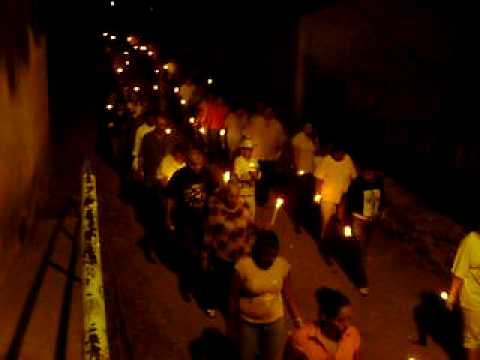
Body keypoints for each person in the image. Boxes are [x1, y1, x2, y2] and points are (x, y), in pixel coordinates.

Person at [229, 230, 303, 360]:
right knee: (246, 356)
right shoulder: (243, 266)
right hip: (248, 323)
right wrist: (232, 325)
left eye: (273, 256)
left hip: (275, 322)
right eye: (266, 255)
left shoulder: (282, 266)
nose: (270, 260)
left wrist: (298, 320)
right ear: (257, 250)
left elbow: (289, 295)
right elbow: (233, 297)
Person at [165, 149, 216, 301]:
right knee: (188, 253)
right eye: (193, 164)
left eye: (198, 164)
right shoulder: (179, 176)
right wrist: (167, 217)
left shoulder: (207, 175)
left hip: (203, 220)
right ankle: (186, 284)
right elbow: (170, 198)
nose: (196, 168)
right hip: (185, 220)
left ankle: (198, 282)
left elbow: (214, 194)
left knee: (203, 252)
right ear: (187, 163)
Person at [202, 183, 255, 318]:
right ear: (225, 196)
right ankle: (211, 303)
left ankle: (231, 308)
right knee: (219, 281)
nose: (234, 199)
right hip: (222, 255)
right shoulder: (216, 210)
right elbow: (209, 232)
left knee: (236, 284)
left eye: (237, 195)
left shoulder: (244, 209)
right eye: (231, 196)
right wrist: (206, 253)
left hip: (241, 255)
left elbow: (251, 228)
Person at [287, 287, 360, 360]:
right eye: (340, 320)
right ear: (323, 317)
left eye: (349, 319)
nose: (347, 325)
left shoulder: (352, 334)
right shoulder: (301, 339)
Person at [314, 144, 357, 265]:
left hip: (342, 198)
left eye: (342, 153)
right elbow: (318, 178)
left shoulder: (348, 160)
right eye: (338, 153)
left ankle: (335, 247)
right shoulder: (326, 161)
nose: (340, 155)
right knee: (327, 223)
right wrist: (317, 194)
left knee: (340, 223)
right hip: (328, 198)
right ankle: (324, 246)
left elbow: (354, 176)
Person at [344, 164, 384, 296]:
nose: (370, 175)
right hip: (358, 220)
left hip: (372, 221)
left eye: (372, 173)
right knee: (362, 252)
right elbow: (348, 202)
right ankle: (362, 282)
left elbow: (382, 199)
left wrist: (382, 211)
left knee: (363, 249)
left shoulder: (379, 182)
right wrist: (346, 222)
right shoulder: (357, 184)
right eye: (367, 173)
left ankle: (354, 260)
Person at [447, 231, 480, 359]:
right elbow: (459, 271)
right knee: (473, 338)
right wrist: (452, 296)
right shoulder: (471, 241)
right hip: (473, 298)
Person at [246, 107, 286, 206]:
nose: (268, 113)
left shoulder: (277, 125)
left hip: (270, 158)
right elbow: (247, 134)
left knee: (267, 180)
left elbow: (281, 141)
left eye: (271, 111)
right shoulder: (256, 122)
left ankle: (263, 200)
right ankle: (255, 199)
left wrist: (278, 152)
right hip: (256, 156)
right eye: (267, 111)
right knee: (256, 179)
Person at [291, 123, 317, 233]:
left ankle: (304, 221)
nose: (309, 129)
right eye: (307, 127)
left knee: (307, 199)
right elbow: (295, 155)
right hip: (302, 172)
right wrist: (297, 169)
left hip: (311, 172)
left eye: (311, 127)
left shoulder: (312, 139)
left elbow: (315, 153)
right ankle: (296, 222)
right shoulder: (298, 138)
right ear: (303, 127)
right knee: (300, 198)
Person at [234, 138, 261, 220]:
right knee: (240, 215)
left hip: (251, 194)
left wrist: (255, 175)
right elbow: (237, 175)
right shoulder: (238, 160)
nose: (246, 151)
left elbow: (258, 175)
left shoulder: (254, 161)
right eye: (244, 149)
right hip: (241, 193)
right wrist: (248, 176)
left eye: (249, 149)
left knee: (251, 216)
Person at [132, 111, 155, 177]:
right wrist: (136, 159)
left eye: (153, 118)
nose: (151, 120)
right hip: (143, 156)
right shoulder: (141, 129)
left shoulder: (157, 128)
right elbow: (137, 144)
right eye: (149, 118)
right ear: (146, 119)